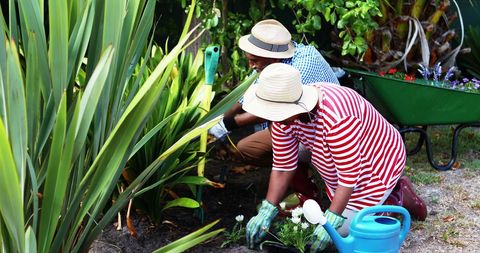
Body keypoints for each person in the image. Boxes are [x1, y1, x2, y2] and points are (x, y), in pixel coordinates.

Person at [242, 63, 427, 252]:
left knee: (343, 233)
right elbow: (283, 165)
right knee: (331, 217)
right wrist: (267, 209)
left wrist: (333, 217)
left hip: (378, 160)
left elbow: (348, 175)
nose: (273, 118)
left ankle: (398, 195)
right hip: (337, 151)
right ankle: (309, 195)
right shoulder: (283, 115)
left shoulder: (337, 118)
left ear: (295, 105)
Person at [208, 19, 340, 204]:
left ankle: (308, 195)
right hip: (294, 125)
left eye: (254, 61)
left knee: (282, 136)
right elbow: (245, 96)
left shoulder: (302, 65)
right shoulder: (268, 64)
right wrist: (216, 121)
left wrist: (229, 124)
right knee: (247, 149)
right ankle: (299, 178)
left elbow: (278, 108)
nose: (251, 66)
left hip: (325, 131)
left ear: (272, 55)